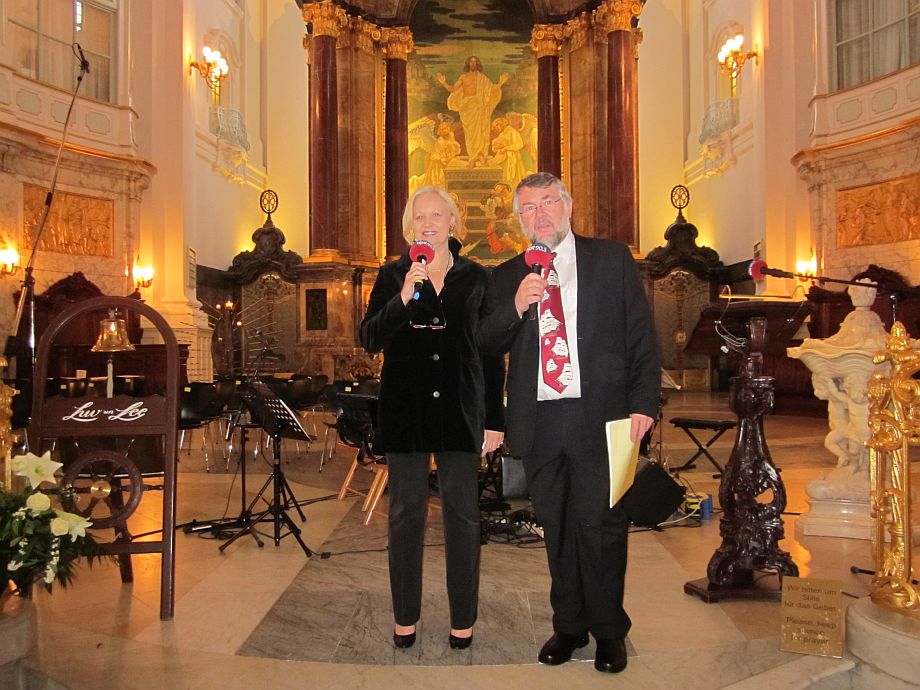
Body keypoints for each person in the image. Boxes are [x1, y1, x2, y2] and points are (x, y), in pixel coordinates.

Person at [477, 172, 660, 674]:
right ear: (519, 220)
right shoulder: (507, 275)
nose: (540, 215)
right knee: (555, 527)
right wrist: (517, 305)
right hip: (539, 419)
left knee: (602, 526)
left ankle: (609, 631)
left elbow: (641, 334)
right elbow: (486, 344)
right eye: (528, 208)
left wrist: (644, 402)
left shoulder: (611, 259)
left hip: (602, 415)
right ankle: (569, 626)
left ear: (568, 206)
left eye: (548, 203)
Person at [360, 184, 505, 651]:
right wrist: (403, 298)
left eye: (436, 215)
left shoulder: (476, 277)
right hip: (406, 409)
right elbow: (369, 338)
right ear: (410, 226)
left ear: (452, 222)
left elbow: (489, 352)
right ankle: (405, 615)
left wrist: (494, 419)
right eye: (419, 217)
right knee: (405, 514)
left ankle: (463, 618)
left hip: (460, 409)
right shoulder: (392, 275)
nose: (427, 224)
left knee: (463, 515)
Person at [437, 57, 509, 167]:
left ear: (478, 64)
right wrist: (444, 83)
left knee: (482, 131)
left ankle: (481, 156)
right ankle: (472, 158)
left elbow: (492, 90)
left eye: (475, 62)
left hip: (480, 107)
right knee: (470, 134)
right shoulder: (463, 77)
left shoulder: (482, 78)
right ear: (468, 64)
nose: (473, 63)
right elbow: (453, 89)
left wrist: (500, 83)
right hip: (467, 108)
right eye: (471, 61)